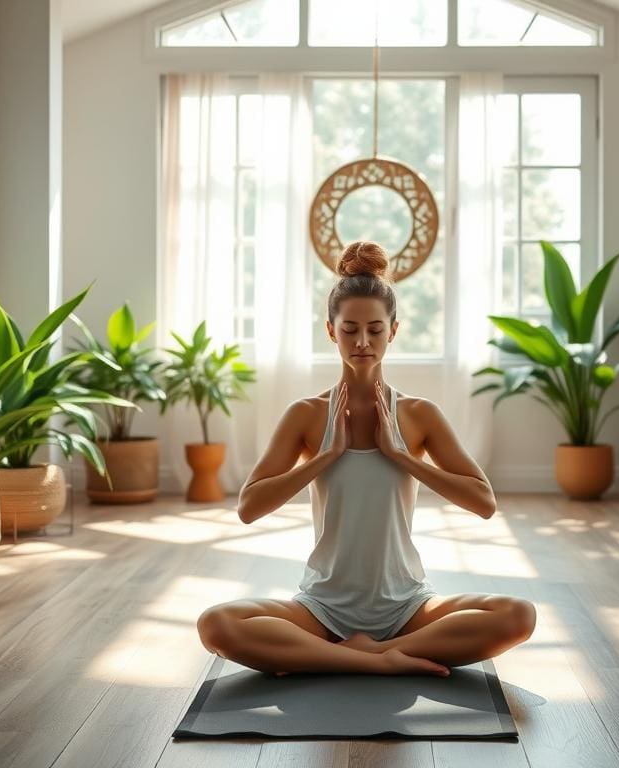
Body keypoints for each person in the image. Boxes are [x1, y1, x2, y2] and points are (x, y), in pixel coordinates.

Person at [197, 241, 536, 677]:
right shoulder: (306, 414)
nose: (362, 342)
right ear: (330, 330)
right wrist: (325, 455)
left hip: (407, 605)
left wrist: (402, 456)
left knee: (518, 615)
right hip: (322, 607)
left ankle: (357, 657)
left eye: (375, 330)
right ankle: (384, 661)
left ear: (393, 331)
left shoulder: (418, 415)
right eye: (349, 329)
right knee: (216, 624)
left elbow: (484, 502)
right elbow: (249, 508)